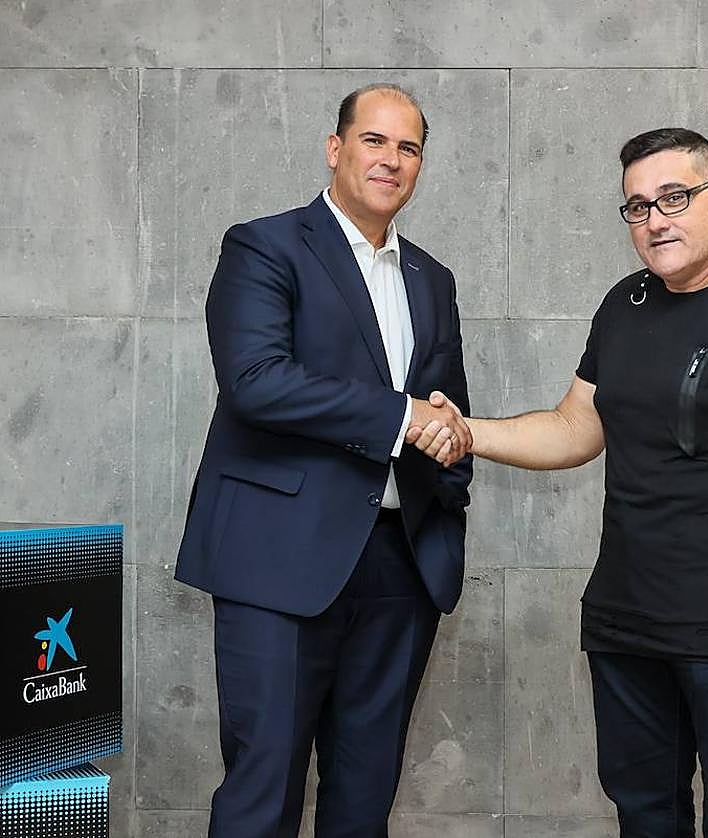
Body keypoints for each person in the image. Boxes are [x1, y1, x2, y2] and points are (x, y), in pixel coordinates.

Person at [409, 128, 708, 835]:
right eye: (638, 207)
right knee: (645, 815)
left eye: (674, 198)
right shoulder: (628, 304)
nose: (656, 219)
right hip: (627, 627)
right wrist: (468, 430)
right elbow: (573, 429)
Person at [174, 83, 473, 838]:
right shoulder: (264, 245)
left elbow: (447, 411)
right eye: (375, 141)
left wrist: (448, 493)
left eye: (409, 148)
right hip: (280, 563)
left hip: (400, 568)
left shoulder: (431, 278)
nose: (392, 160)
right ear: (336, 149)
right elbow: (255, 381)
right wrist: (403, 418)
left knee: (364, 798)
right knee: (262, 793)